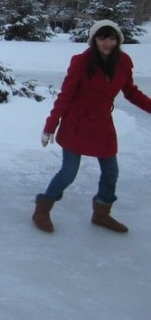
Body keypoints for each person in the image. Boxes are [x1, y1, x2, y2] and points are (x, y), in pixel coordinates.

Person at [32, 19, 151, 234]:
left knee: (111, 172)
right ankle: (43, 208)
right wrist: (50, 125)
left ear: (118, 40)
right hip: (77, 124)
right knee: (68, 173)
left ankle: (101, 213)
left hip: (102, 125)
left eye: (112, 38)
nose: (107, 43)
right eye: (102, 38)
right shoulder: (81, 62)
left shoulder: (123, 62)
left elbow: (131, 92)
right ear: (94, 39)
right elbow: (65, 96)